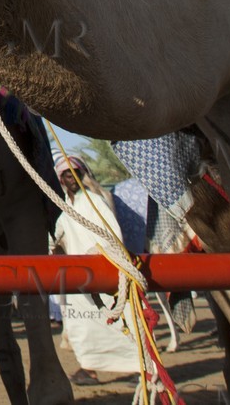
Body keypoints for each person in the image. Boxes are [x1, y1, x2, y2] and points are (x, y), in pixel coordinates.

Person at [50, 156, 141, 387]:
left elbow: (113, 234)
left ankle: (138, 368)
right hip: (80, 280)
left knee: (123, 324)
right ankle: (89, 369)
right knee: (83, 327)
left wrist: (97, 257)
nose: (71, 178)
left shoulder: (93, 201)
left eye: (75, 173)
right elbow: (58, 237)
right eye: (66, 175)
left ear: (82, 175)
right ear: (60, 179)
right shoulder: (66, 207)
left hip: (104, 273)